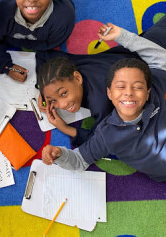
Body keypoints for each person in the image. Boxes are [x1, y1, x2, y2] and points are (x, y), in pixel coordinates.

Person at [36, 18, 166, 146]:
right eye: (53, 100)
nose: (62, 105)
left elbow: (101, 140)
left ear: (77, 78)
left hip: (156, 56)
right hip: (150, 40)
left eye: (63, 93)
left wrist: (64, 127)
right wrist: (44, 91)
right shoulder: (68, 68)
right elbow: (42, 55)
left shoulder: (99, 102)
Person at [42, 51, 166, 181]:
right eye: (120, 87)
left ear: (147, 93)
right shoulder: (106, 134)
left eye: (137, 87)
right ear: (109, 93)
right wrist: (60, 155)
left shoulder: (159, 84)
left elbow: (159, 59)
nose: (128, 93)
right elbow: (80, 159)